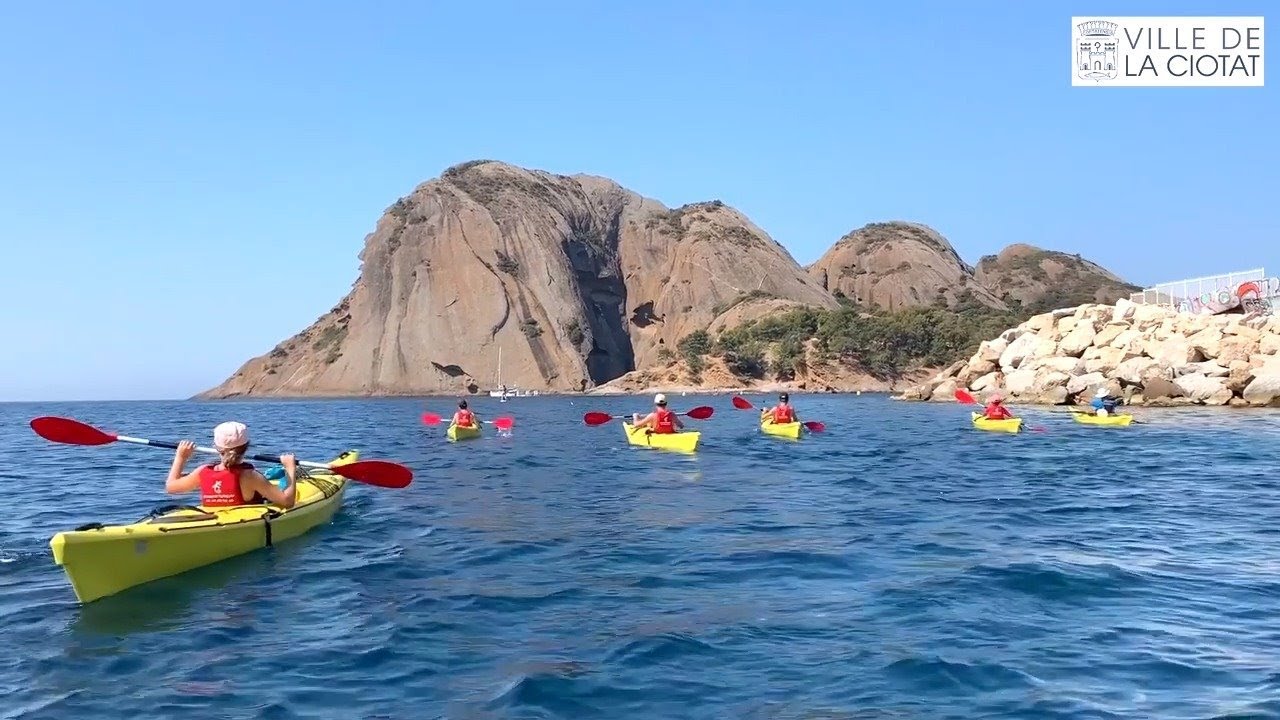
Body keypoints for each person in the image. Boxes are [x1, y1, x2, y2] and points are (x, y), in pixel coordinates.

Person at [165, 421, 298, 508]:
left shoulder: (202, 472)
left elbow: (171, 487)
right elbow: (287, 502)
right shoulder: (250, 476)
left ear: (216, 447)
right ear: (246, 446)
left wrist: (181, 457)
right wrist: (290, 468)